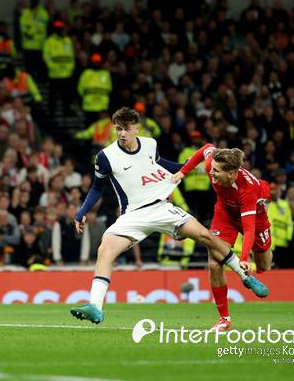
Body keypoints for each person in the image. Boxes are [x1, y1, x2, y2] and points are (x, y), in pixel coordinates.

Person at [69, 108, 268, 324]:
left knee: (206, 237)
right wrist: (82, 212)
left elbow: (162, 164)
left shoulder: (149, 144)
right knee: (104, 250)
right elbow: (97, 188)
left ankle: (245, 276)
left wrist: (186, 169)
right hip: (133, 215)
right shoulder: (105, 157)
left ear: (137, 128)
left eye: (126, 129)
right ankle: (95, 306)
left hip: (162, 207)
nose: (122, 133)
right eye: (118, 129)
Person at [173, 143, 274, 331]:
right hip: (225, 213)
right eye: (212, 168)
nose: (211, 172)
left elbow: (249, 228)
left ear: (231, 174)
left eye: (217, 171)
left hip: (255, 216)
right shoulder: (212, 164)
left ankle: (256, 266)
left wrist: (244, 258)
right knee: (214, 263)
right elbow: (206, 148)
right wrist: (182, 172)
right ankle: (224, 319)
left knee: (263, 265)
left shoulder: (248, 189)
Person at [19, 0, 49, 80]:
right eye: (32, 0)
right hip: (27, 46)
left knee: (40, 67)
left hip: (39, 46)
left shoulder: (43, 13)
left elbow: (41, 27)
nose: (34, 2)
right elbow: (22, 24)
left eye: (35, 0)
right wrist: (26, 31)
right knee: (29, 69)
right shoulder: (25, 12)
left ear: (38, 1)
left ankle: (41, 81)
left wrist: (29, 32)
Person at [77, 53, 112, 126]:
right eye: (95, 62)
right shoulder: (86, 73)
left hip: (102, 106)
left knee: (102, 127)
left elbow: (109, 89)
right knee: (90, 126)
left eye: (98, 62)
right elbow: (80, 89)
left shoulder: (105, 74)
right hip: (89, 106)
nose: (96, 64)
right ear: (91, 62)